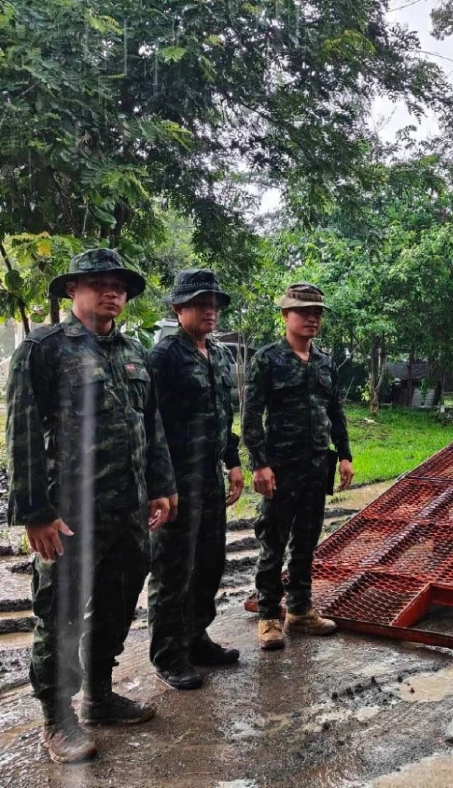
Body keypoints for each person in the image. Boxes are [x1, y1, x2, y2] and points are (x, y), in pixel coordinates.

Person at [6, 249, 177, 763]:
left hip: (128, 507)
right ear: (72, 291)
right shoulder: (44, 349)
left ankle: (99, 696)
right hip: (69, 514)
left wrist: (163, 484)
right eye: (100, 283)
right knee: (59, 613)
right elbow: (21, 433)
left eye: (120, 286)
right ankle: (57, 719)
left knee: (118, 601)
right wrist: (35, 511)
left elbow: (151, 423)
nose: (112, 293)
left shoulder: (131, 350)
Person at [146, 270, 245, 690]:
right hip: (176, 482)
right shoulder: (164, 355)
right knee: (173, 569)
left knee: (208, 564)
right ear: (178, 309)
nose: (210, 311)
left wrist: (233, 460)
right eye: (201, 304)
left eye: (215, 305)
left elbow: (225, 413)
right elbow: (149, 425)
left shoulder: (219, 354)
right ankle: (169, 654)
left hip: (210, 477)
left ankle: (195, 638)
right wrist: (158, 485)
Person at [243, 283, 354, 651]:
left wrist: (345, 455)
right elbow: (250, 415)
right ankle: (269, 616)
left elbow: (334, 411)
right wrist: (259, 464)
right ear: (285, 316)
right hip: (280, 467)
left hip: (315, 466)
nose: (312, 318)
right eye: (304, 311)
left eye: (317, 312)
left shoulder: (324, 363)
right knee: (273, 542)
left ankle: (301, 610)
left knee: (306, 541)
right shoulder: (267, 359)